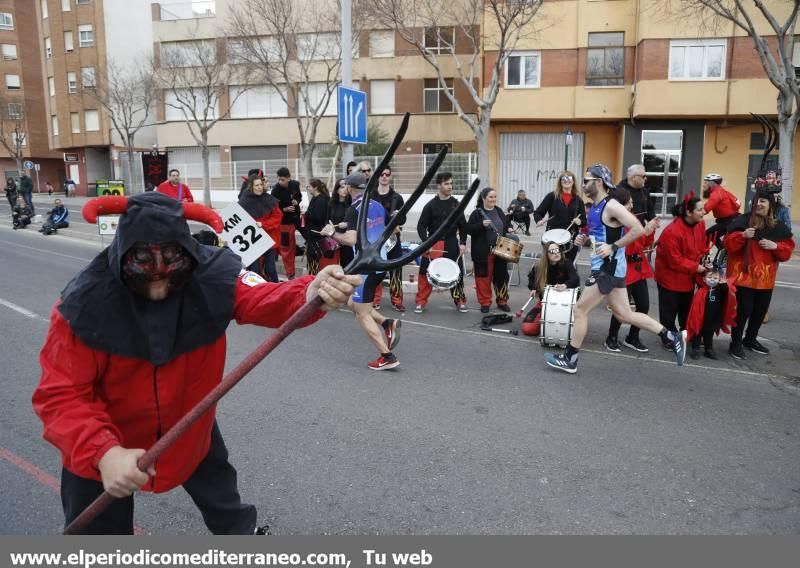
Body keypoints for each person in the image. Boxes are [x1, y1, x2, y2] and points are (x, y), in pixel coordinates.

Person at [32, 192, 359, 535]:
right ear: (122, 258)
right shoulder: (82, 305)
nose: (158, 279)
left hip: (190, 421)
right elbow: (60, 395)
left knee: (226, 504)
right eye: (143, 266)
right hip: (103, 435)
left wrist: (309, 293)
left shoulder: (212, 275)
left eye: (171, 264)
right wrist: (104, 453)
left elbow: (264, 296)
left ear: (187, 255)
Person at [544, 164, 687, 374]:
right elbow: (599, 239)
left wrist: (613, 246)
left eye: (586, 180)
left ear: (599, 182)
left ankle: (570, 358)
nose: (582, 184)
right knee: (625, 315)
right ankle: (672, 336)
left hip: (608, 269)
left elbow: (637, 229)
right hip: (609, 268)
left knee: (580, 310)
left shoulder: (611, 205)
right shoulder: (595, 207)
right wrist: (585, 241)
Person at [322, 174, 401, 370]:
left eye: (344, 187)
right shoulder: (376, 204)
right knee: (351, 302)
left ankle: (387, 356)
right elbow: (394, 228)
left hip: (366, 267)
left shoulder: (353, 209)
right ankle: (387, 322)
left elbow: (350, 240)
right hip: (381, 262)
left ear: (349, 188)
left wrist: (331, 233)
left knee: (361, 313)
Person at [724, 186, 795, 359]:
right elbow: (728, 245)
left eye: (763, 201)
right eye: (757, 201)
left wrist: (775, 246)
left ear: (770, 205)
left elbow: (787, 251)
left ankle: (750, 339)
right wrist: (743, 236)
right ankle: (735, 343)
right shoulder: (742, 222)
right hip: (743, 277)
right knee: (743, 312)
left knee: (759, 312)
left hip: (765, 280)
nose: (759, 204)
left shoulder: (778, 228)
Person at [604, 188, 659, 353]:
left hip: (638, 267)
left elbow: (644, 243)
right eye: (629, 203)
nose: (631, 205)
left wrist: (650, 229)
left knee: (643, 305)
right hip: (623, 268)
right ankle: (612, 336)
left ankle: (632, 337)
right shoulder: (613, 222)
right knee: (621, 307)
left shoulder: (633, 219)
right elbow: (622, 247)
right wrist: (644, 232)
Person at [654, 194, 708, 350]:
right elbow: (675, 261)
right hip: (670, 277)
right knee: (669, 311)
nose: (704, 212)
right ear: (689, 212)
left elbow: (700, 245)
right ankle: (668, 337)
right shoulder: (672, 231)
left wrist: (703, 258)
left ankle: (686, 333)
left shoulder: (699, 224)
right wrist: (696, 267)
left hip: (687, 276)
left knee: (686, 308)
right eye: (700, 210)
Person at [414, 172, 469, 314]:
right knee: (425, 273)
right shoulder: (430, 206)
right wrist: (427, 243)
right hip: (433, 243)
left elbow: (463, 226)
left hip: (451, 242)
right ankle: (420, 301)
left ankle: (460, 300)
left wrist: (462, 243)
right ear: (439, 186)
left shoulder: (457, 205)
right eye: (446, 184)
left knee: (456, 274)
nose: (450, 186)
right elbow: (421, 226)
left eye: (451, 183)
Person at [466, 187, 510, 313]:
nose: (493, 199)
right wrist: (481, 225)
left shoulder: (498, 211)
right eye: (490, 197)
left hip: (500, 250)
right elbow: (469, 229)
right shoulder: (476, 213)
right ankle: (485, 302)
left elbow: (505, 223)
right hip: (482, 252)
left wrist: (510, 227)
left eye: (495, 197)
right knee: (483, 278)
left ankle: (502, 301)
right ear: (483, 198)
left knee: (501, 277)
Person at [521, 241, 580, 336]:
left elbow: (575, 279)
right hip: (546, 302)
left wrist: (565, 285)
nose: (556, 253)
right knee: (528, 329)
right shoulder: (539, 266)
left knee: (572, 332)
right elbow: (532, 279)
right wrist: (533, 288)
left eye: (558, 250)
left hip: (566, 304)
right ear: (546, 254)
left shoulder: (566, 263)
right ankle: (544, 321)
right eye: (552, 251)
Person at [371, 166, 407, 312]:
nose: (384, 177)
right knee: (375, 269)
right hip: (375, 238)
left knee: (396, 268)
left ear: (391, 176)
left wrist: (399, 218)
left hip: (393, 238)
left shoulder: (397, 198)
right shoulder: (371, 196)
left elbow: (403, 219)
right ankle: (374, 299)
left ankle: (397, 300)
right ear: (378, 176)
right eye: (382, 174)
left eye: (387, 174)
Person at [686, 261, 736, 360]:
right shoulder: (702, 290)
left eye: (715, 278)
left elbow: (728, 292)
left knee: (709, 334)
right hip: (700, 318)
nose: (712, 280)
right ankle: (695, 349)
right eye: (709, 278)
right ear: (704, 279)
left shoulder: (720, 290)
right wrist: (704, 269)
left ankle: (708, 350)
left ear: (719, 279)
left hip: (713, 318)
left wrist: (723, 284)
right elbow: (697, 276)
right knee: (697, 334)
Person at [239, 175, 281, 282]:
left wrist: (263, 224)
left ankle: (276, 288)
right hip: (252, 241)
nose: (259, 187)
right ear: (251, 187)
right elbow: (239, 220)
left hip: (268, 239)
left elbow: (278, 217)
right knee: (255, 270)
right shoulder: (244, 200)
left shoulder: (269, 199)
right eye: (256, 185)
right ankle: (254, 292)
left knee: (270, 269)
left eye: (261, 185)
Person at [271, 167, 303, 279]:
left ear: (289, 178)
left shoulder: (295, 184)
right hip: (284, 223)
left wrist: (297, 201)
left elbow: (299, 196)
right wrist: (284, 209)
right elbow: (273, 209)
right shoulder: (275, 190)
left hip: (297, 219)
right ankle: (290, 274)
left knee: (309, 236)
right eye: (279, 179)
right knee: (286, 249)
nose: (281, 182)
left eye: (283, 179)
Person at [533, 171, 585, 235]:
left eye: (569, 178)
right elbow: (538, 212)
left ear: (573, 181)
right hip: (553, 234)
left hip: (571, 236)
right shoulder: (552, 196)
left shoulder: (579, 200)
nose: (566, 181)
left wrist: (579, 222)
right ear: (560, 182)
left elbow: (584, 221)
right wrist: (539, 220)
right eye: (564, 179)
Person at [303, 179, 332, 276]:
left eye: (309, 187)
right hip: (314, 234)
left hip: (317, 235)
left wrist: (306, 214)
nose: (308, 189)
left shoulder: (321, 200)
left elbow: (318, 217)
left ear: (315, 187)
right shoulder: (316, 198)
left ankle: (314, 279)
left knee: (315, 260)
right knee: (313, 261)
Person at [702, 173, 741, 244]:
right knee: (712, 234)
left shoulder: (716, 194)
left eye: (705, 183)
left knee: (708, 234)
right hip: (733, 220)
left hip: (729, 222)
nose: (703, 185)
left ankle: (720, 252)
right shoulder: (721, 190)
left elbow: (705, 209)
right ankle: (722, 252)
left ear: (711, 183)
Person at [327, 178, 353, 269]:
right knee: (332, 266)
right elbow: (326, 219)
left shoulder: (352, 203)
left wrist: (347, 224)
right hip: (333, 238)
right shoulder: (331, 203)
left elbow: (357, 221)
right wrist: (329, 226)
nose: (345, 189)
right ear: (337, 189)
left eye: (347, 186)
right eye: (342, 187)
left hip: (347, 239)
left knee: (346, 266)